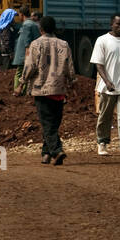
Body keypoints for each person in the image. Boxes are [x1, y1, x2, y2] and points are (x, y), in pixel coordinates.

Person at [17, 15, 76, 166]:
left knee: (47, 124)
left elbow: (30, 67)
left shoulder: (36, 44)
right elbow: (69, 67)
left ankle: (56, 150)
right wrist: (72, 82)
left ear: (40, 29)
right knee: (52, 124)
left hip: (41, 89)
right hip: (58, 89)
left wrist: (21, 84)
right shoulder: (64, 44)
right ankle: (46, 154)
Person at [91, 14, 120, 157]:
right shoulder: (102, 41)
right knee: (105, 117)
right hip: (107, 86)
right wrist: (106, 81)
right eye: (118, 24)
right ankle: (102, 142)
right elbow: (98, 64)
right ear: (111, 24)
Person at [12, 8, 40, 92]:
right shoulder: (33, 24)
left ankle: (18, 91)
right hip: (29, 53)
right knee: (27, 72)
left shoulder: (27, 25)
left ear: (21, 14)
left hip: (24, 54)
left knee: (19, 73)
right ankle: (24, 91)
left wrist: (27, 54)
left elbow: (27, 41)